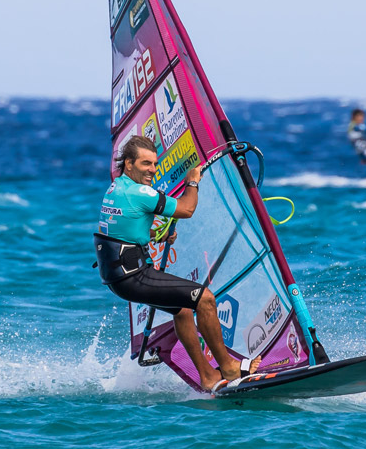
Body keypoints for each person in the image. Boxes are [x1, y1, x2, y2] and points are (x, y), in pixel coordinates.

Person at [94, 135, 260, 392]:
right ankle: (227, 366)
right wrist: (192, 181)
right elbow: (187, 209)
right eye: (145, 164)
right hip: (132, 276)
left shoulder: (117, 189)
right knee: (204, 298)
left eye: (154, 164)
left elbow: (122, 228)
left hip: (119, 275)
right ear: (128, 164)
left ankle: (207, 376)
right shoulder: (140, 193)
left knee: (183, 310)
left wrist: (154, 234)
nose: (152, 170)